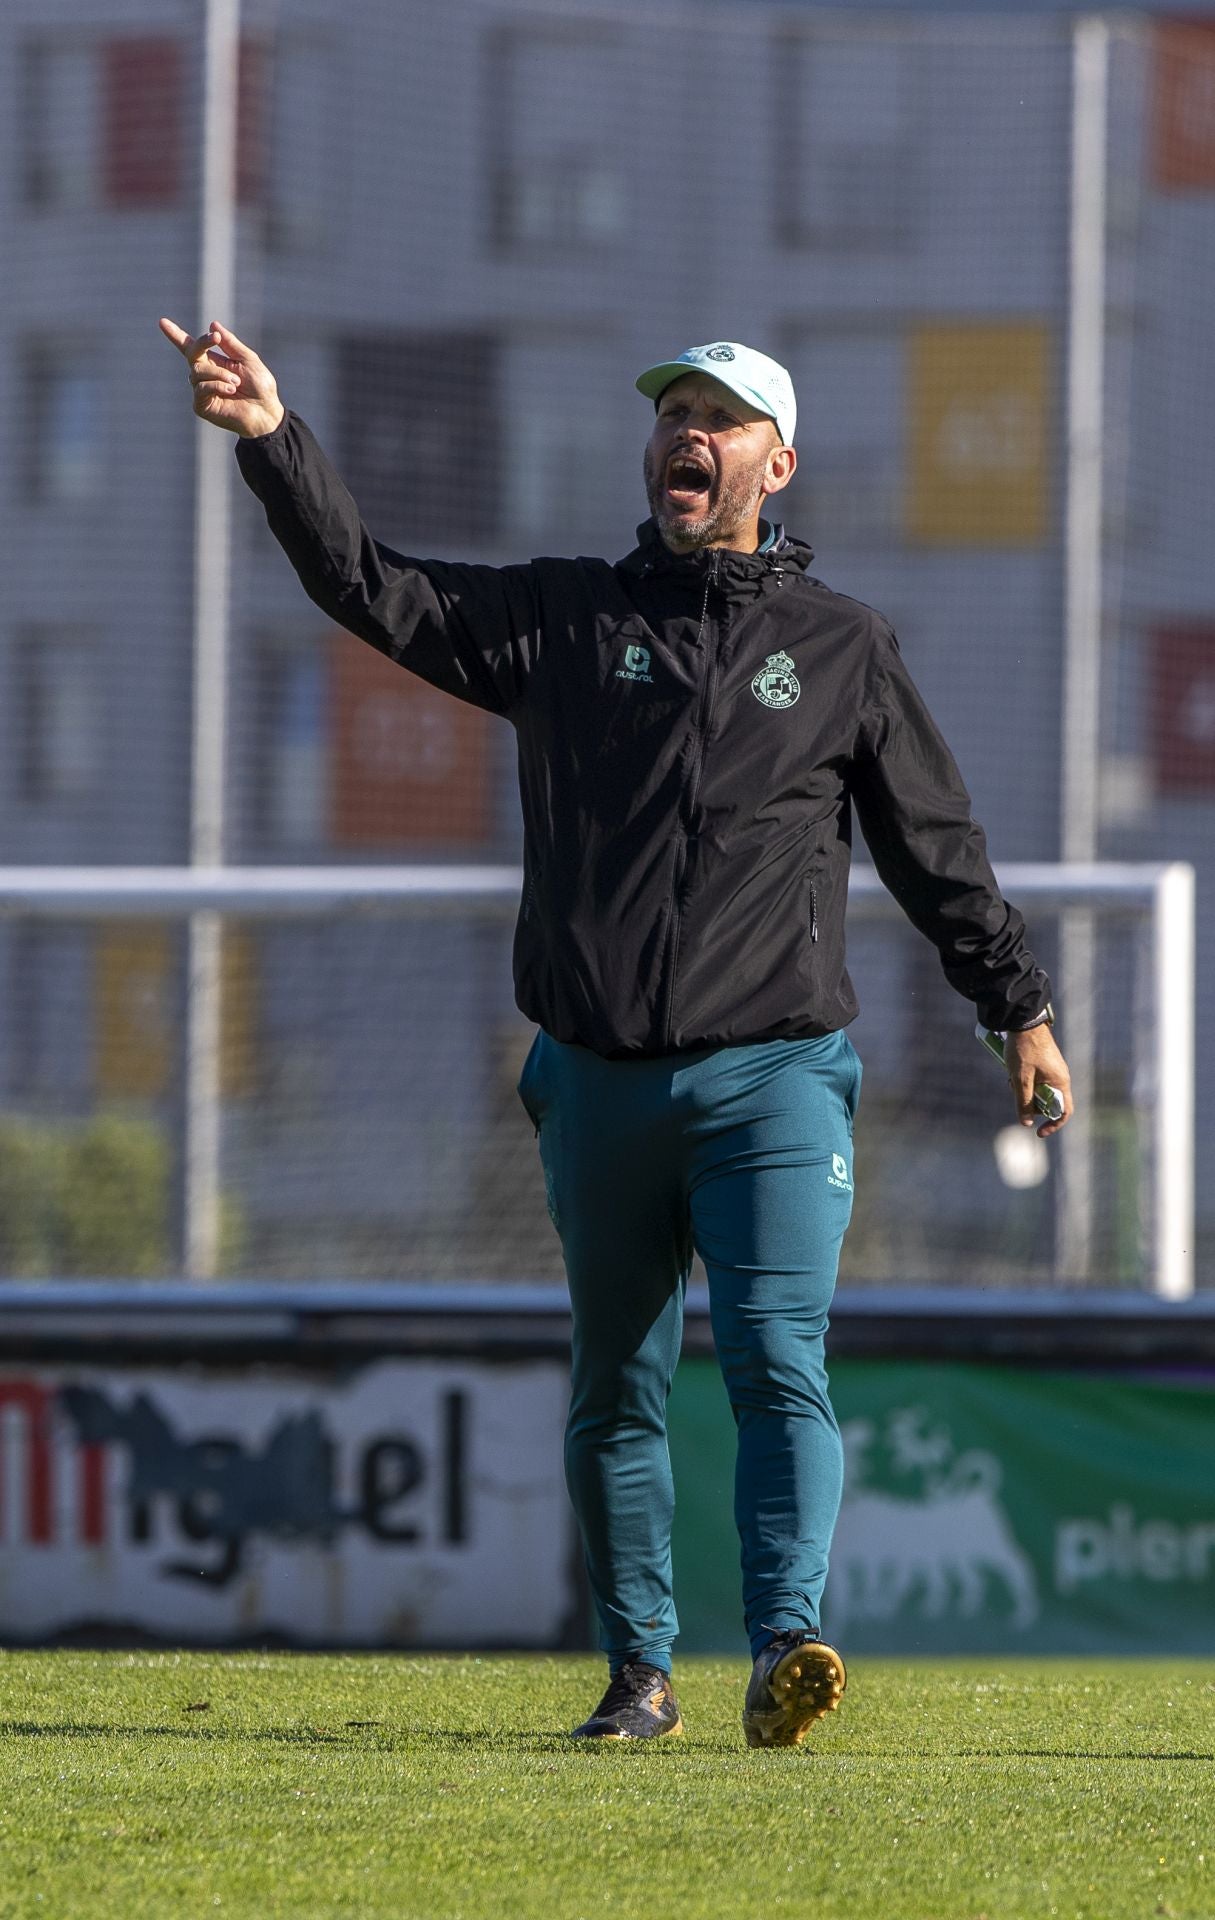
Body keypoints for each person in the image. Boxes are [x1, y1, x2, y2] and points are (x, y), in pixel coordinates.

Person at [160, 319, 1073, 1747]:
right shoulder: (568, 618)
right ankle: (639, 1677)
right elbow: (373, 587)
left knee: (779, 1360)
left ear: (779, 459)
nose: (684, 437)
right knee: (618, 1389)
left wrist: (1015, 1005)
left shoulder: (842, 648)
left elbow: (934, 848)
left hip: (774, 1074)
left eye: (717, 418)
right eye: (670, 416)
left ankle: (786, 1648)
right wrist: (275, 441)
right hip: (596, 1082)